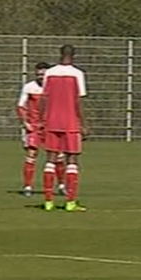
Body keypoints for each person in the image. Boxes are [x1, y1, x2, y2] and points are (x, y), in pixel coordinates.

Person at [40, 44, 88, 212]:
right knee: (72, 161)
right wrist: (83, 123)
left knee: (50, 160)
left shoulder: (50, 73)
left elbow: (44, 98)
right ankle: (70, 202)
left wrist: (41, 119)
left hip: (52, 121)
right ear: (73, 55)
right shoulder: (77, 74)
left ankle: (48, 202)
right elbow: (78, 101)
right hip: (70, 123)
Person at [18, 62, 67, 197]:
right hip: (34, 126)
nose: (41, 77)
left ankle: (62, 185)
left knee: (59, 156)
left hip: (51, 126)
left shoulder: (54, 88)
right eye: (38, 74)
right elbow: (21, 107)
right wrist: (25, 122)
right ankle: (27, 186)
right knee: (31, 155)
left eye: (43, 74)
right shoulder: (29, 87)